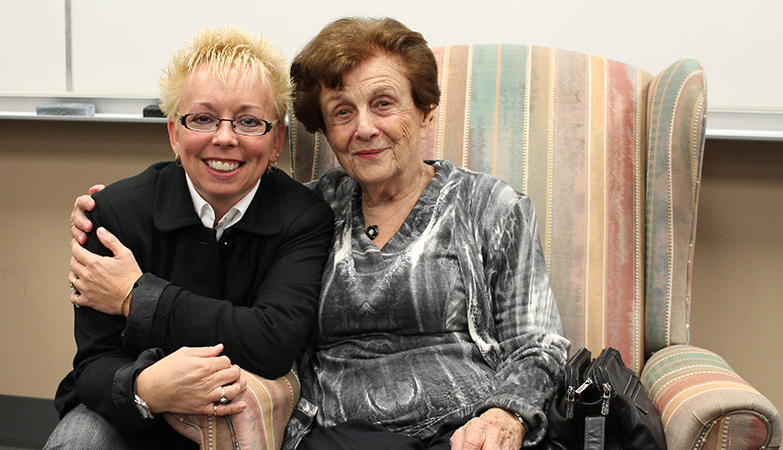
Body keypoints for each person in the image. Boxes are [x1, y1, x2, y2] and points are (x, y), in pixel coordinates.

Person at [69, 17, 569, 450]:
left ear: (424, 111)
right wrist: (102, 214)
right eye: (343, 112)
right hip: (339, 432)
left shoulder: (492, 207)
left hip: (467, 428)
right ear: (326, 131)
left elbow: (540, 345)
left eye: (384, 103)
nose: (365, 128)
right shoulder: (317, 208)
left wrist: (506, 414)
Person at [47, 27, 333, 449]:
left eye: (249, 121)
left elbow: (271, 342)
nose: (224, 137)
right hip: (129, 407)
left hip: (242, 412)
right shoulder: (112, 214)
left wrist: (137, 296)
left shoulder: (304, 217)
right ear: (174, 135)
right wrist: (147, 389)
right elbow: (94, 362)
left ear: (277, 142)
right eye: (202, 118)